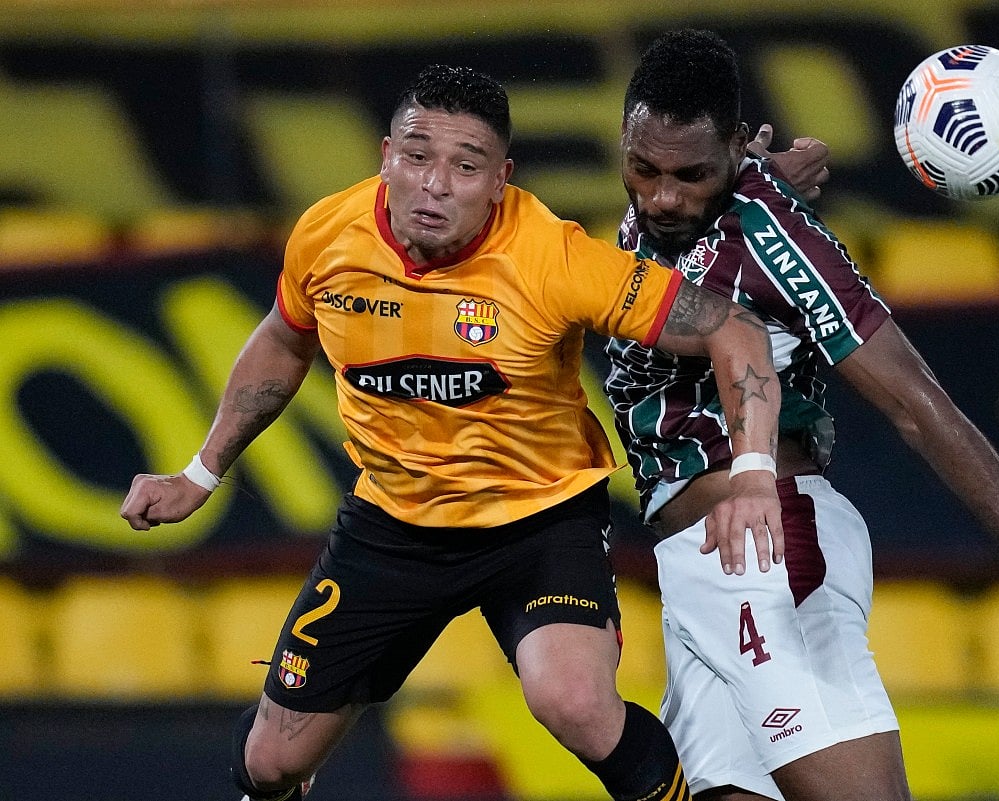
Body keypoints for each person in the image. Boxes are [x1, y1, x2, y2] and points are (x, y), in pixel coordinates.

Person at [120, 63, 787, 801]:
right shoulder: (328, 236)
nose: (434, 184)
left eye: (465, 167)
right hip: (393, 525)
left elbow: (735, 329)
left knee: (573, 702)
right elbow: (283, 338)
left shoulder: (552, 257)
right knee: (271, 763)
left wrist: (755, 474)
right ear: (386, 157)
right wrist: (200, 473)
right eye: (416, 157)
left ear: (501, 179)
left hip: (540, 519)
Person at [603, 29, 999, 801]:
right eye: (644, 169)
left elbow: (918, 402)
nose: (662, 196)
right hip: (693, 569)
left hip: (767, 551)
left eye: (692, 175)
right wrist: (756, 173)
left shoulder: (780, 243)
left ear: (730, 151)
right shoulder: (685, 208)